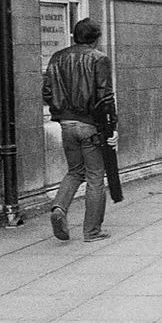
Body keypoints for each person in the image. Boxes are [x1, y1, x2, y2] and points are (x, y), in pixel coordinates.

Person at [43, 17, 117, 243]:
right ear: (95, 39)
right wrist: (112, 127)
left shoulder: (57, 58)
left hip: (66, 124)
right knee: (95, 176)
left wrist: (61, 111)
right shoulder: (99, 59)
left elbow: (46, 92)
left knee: (75, 171)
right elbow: (105, 97)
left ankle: (59, 208)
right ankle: (92, 231)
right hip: (90, 125)